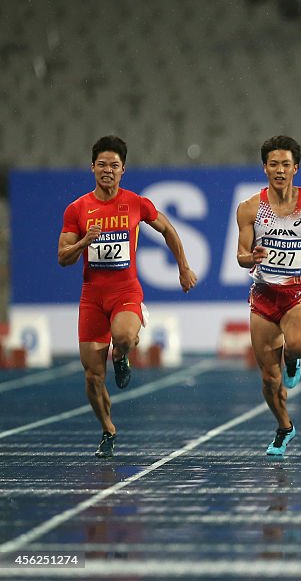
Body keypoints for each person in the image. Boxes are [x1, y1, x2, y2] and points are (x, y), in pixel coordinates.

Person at [58, 135, 197, 458]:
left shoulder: (135, 203)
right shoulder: (77, 209)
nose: (108, 170)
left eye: (114, 166)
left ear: (123, 170)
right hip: (92, 298)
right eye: (102, 164)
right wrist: (84, 243)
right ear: (92, 167)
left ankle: (121, 354)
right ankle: (108, 428)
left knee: (122, 336)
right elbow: (63, 256)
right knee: (93, 377)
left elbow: (167, 229)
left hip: (125, 292)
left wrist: (183, 267)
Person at [235, 136, 301, 456]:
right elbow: (240, 254)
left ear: (296, 168)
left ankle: (292, 360)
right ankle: (284, 426)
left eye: (286, 164)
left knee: (297, 346)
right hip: (263, 296)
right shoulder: (250, 208)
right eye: (274, 164)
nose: (280, 170)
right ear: (265, 167)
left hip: (298, 294)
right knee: (268, 379)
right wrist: (250, 258)